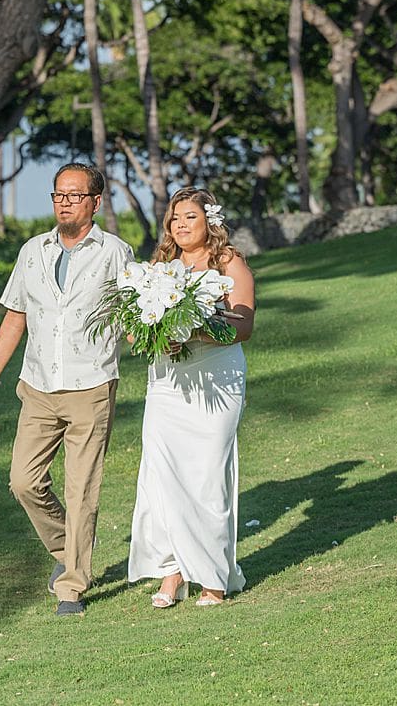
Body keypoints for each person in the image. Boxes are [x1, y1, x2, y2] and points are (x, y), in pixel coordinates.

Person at [0, 162, 134, 617]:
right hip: (38, 385)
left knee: (81, 489)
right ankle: (69, 548)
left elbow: (132, 316)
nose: (63, 203)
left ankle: (72, 587)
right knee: (23, 481)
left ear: (95, 202)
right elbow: (15, 315)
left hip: (91, 385)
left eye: (73, 196)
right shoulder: (32, 251)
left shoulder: (115, 252)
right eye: (58, 195)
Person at [127, 187, 255, 607]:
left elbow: (243, 325)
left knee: (206, 474)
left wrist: (197, 329)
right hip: (167, 383)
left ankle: (213, 576)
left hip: (216, 378)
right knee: (161, 476)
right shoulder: (159, 268)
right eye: (175, 219)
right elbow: (134, 327)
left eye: (190, 218)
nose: (180, 225)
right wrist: (154, 334)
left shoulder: (228, 263)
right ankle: (172, 572)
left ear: (209, 222)